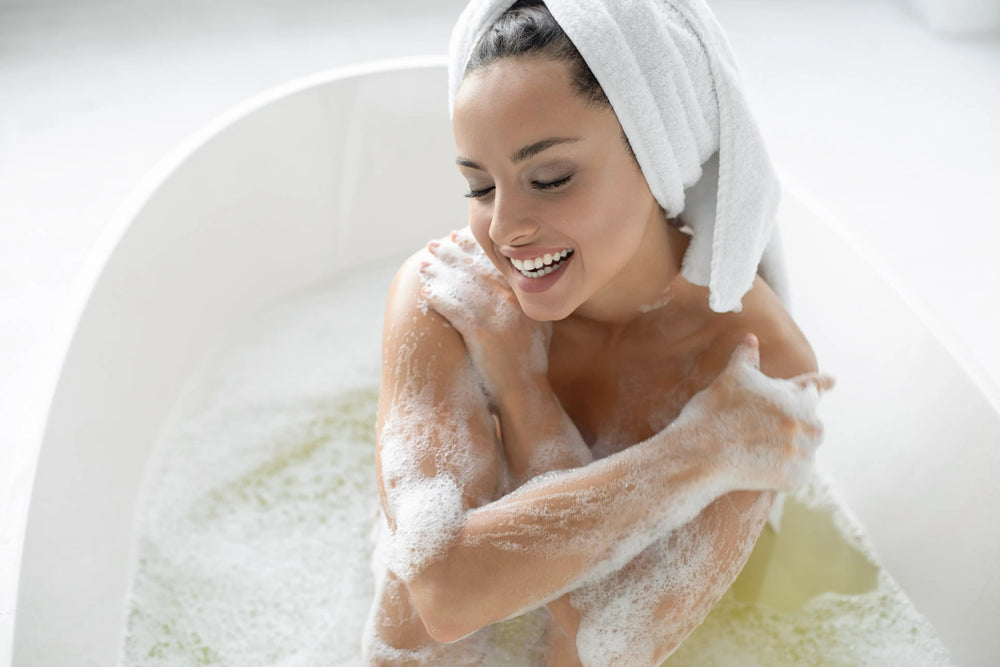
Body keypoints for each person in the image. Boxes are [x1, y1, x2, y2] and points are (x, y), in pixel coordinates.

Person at [363, 1, 834, 664]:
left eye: (549, 178)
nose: (502, 230)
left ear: (656, 155)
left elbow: (597, 645)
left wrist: (523, 391)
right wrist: (696, 451)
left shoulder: (752, 363)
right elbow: (437, 595)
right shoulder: (451, 292)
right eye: (479, 185)